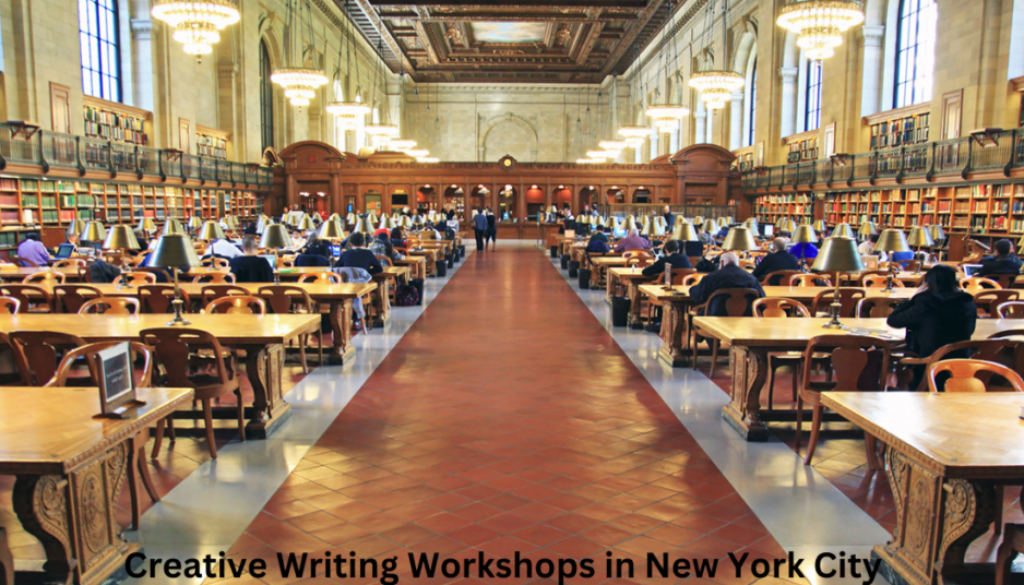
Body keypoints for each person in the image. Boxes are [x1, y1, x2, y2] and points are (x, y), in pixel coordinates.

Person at [887, 264, 977, 388]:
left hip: (929, 364)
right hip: (961, 363)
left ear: (927, 284)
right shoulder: (967, 302)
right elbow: (970, 331)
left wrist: (912, 299)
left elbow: (893, 320)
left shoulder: (925, 303)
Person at [688, 252, 765, 316]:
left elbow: (697, 296)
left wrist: (692, 288)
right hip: (744, 322)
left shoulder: (712, 278)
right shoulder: (752, 279)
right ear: (738, 264)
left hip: (714, 319)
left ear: (721, 263)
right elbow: (762, 300)